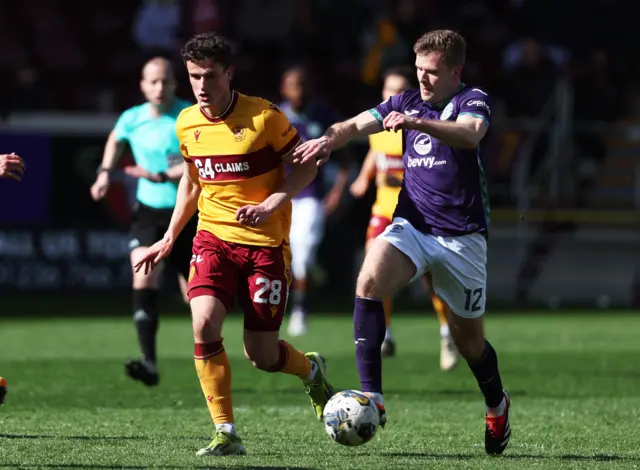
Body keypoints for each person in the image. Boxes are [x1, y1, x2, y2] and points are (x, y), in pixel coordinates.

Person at [294, 30, 511, 456]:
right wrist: (328, 140)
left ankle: (497, 405)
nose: (423, 80)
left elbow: (469, 135)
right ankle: (372, 397)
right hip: (412, 225)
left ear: (455, 72)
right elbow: (356, 124)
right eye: (418, 71)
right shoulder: (404, 100)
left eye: (431, 73)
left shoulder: (473, 99)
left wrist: (414, 123)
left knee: (470, 344)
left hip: (461, 238)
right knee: (369, 280)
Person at [133, 32, 334, 457]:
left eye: (209, 76)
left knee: (261, 354)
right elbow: (191, 180)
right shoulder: (186, 122)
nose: (201, 86)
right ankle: (226, 431)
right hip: (213, 238)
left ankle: (310, 369)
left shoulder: (264, 117)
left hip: (265, 245)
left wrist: (276, 200)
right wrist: (169, 237)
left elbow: (307, 166)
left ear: (229, 73)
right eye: (193, 77)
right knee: (203, 322)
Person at [90, 57, 194, 387]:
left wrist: (161, 175)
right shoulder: (131, 119)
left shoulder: (189, 116)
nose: (160, 87)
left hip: (189, 213)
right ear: (143, 85)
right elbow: (115, 139)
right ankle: (149, 362)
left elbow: (199, 163)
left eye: (165, 81)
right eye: (153, 81)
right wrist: (105, 173)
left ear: (175, 84)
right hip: (149, 214)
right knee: (142, 273)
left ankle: (210, 363)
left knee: (197, 298)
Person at [350, 66, 459, 369]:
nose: (394, 96)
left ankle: (447, 332)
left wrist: (398, 181)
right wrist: (364, 176)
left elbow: (430, 170)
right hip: (383, 211)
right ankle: (385, 334)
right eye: (389, 90)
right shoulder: (377, 126)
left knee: (431, 280)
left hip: (417, 213)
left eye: (400, 90)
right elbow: (376, 152)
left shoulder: (420, 128)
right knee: (372, 268)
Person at [279, 65, 350, 337]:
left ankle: (299, 310)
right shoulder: (276, 117)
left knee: (303, 255)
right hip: (280, 196)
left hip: (310, 197)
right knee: (283, 256)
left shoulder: (323, 115)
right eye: (294, 84)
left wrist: (336, 192)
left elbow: (345, 160)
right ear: (284, 88)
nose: (299, 90)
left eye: (303, 84)